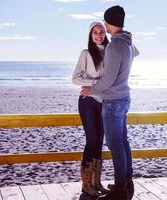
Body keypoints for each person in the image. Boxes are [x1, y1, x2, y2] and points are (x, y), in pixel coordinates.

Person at [80, 5, 139, 200]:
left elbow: (108, 79)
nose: (103, 27)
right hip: (124, 98)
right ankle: (126, 183)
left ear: (109, 22)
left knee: (115, 145)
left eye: (105, 22)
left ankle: (120, 189)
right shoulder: (127, 42)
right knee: (123, 141)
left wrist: (91, 89)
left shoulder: (114, 45)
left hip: (113, 101)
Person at [72, 21, 109, 199]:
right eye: (95, 32)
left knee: (100, 140)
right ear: (90, 34)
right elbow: (75, 78)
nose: (98, 35)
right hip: (87, 101)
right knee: (92, 140)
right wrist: (95, 84)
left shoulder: (110, 52)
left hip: (104, 102)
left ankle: (96, 182)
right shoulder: (86, 54)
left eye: (101, 32)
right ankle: (87, 185)